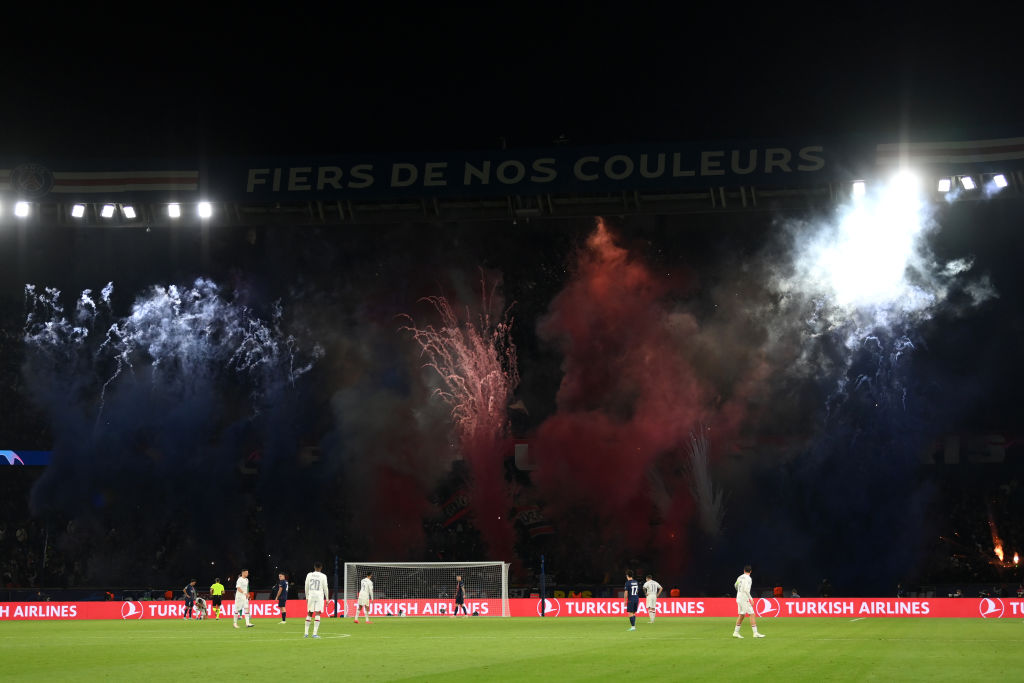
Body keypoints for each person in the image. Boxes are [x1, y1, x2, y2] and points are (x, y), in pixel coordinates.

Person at [733, 565, 765, 639]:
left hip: (739, 597)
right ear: (750, 571)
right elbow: (746, 590)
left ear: (744, 571)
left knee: (742, 615)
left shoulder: (740, 577)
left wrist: (739, 592)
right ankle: (755, 633)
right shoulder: (748, 578)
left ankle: (736, 632)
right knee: (752, 614)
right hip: (744, 598)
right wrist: (751, 599)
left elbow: (735, 585)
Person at [303, 562, 329, 638]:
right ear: (321, 568)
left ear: (314, 567)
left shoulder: (309, 575)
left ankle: (306, 633)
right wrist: (327, 598)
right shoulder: (323, 576)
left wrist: (307, 597)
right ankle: (314, 634)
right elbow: (325, 588)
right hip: (319, 596)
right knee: (317, 613)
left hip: (311, 595)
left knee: (309, 613)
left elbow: (306, 586)